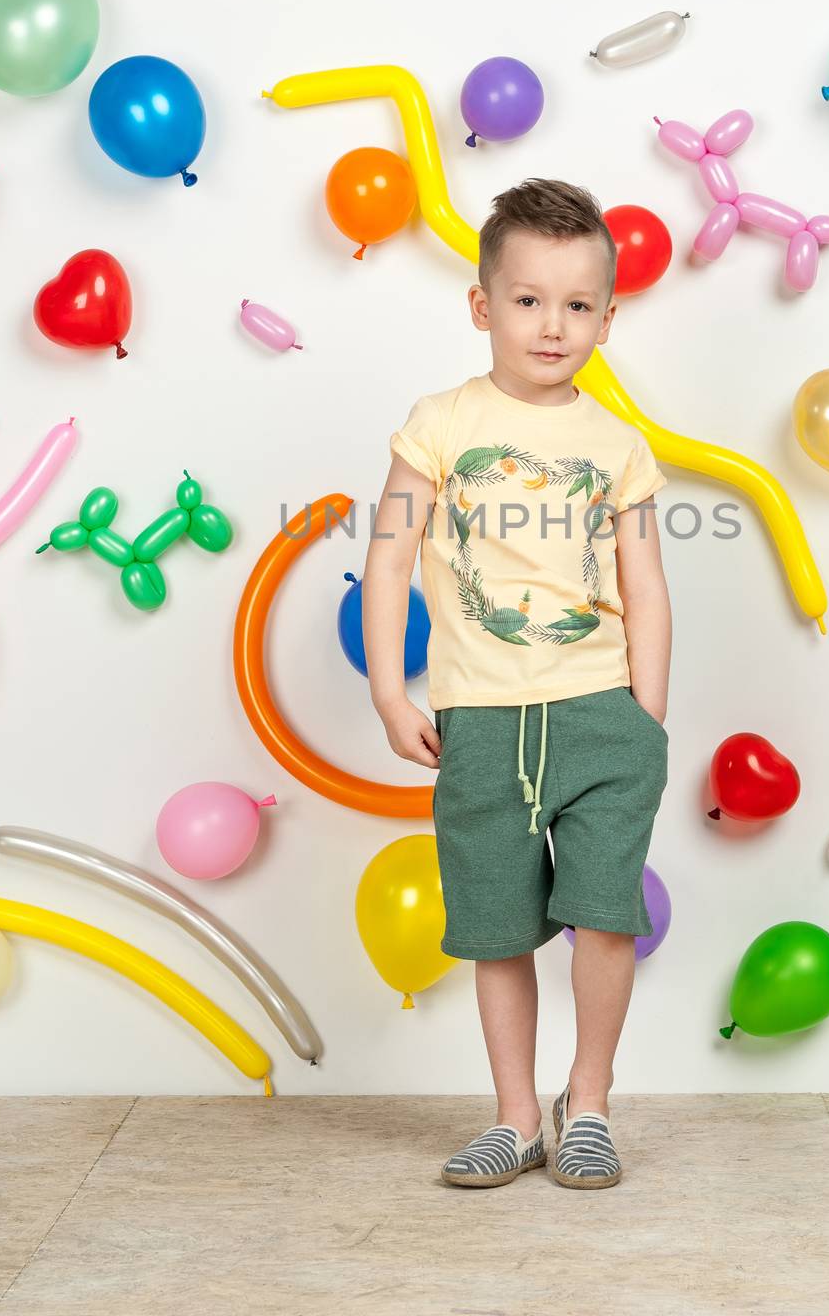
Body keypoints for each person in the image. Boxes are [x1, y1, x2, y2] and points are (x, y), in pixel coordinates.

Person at [362, 178, 671, 1190]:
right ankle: (511, 1116)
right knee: (498, 924)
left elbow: (647, 588)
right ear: (481, 304)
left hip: (600, 717)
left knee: (605, 915)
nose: (553, 324)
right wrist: (391, 696)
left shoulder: (618, 446)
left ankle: (588, 1103)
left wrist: (647, 723)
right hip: (479, 717)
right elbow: (391, 558)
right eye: (529, 299)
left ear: (608, 318)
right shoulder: (440, 423)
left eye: (578, 304)